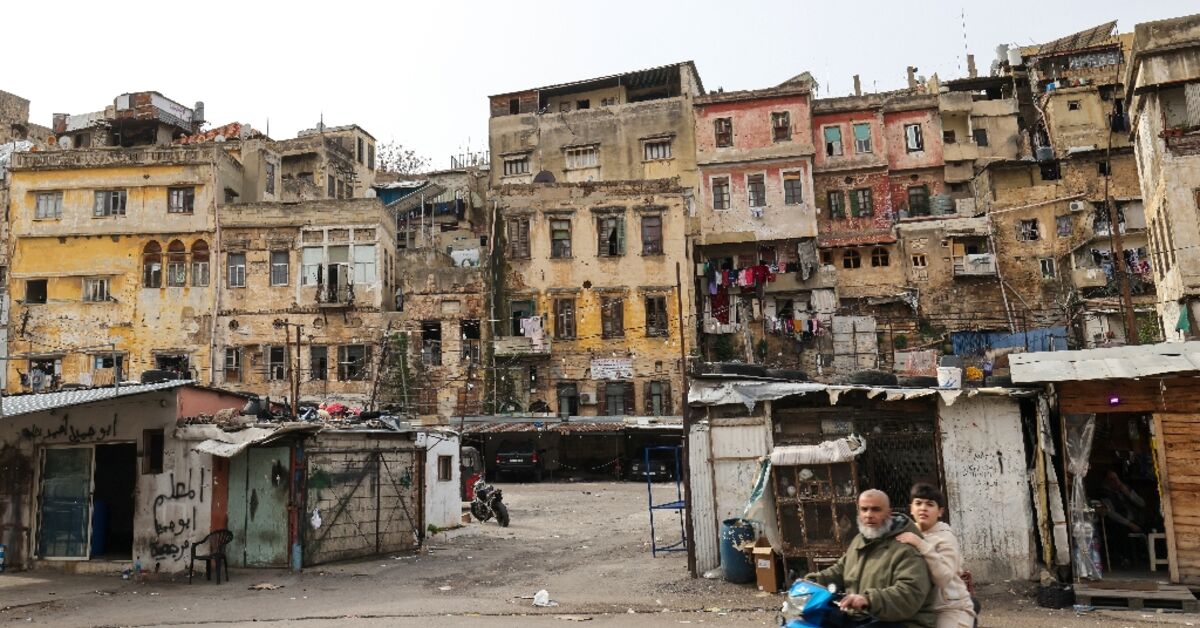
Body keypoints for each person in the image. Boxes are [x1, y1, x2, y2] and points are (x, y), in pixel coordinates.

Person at [805, 489, 937, 628]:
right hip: (861, 617)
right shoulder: (860, 540)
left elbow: (910, 593)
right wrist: (812, 581)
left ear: (889, 513)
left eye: (876, 509)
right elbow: (841, 569)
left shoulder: (906, 546)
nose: (869, 515)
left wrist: (869, 600)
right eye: (864, 509)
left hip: (901, 622)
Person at [896, 483, 976, 628]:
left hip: (949, 608)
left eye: (930, 504)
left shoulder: (946, 538)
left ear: (940, 511)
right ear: (911, 508)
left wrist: (921, 545)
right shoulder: (905, 534)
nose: (923, 508)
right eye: (918, 503)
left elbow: (944, 577)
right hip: (917, 608)